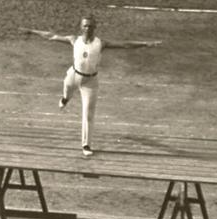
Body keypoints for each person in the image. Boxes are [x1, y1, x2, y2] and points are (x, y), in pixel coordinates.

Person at [19, 16, 160, 156]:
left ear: (95, 28)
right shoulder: (74, 40)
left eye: (91, 26)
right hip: (73, 76)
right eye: (85, 26)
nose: (88, 29)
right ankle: (65, 99)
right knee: (67, 92)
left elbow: (125, 45)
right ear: (81, 27)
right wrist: (31, 31)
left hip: (90, 82)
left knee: (88, 114)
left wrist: (146, 43)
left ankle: (86, 145)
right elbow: (51, 36)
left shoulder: (101, 43)